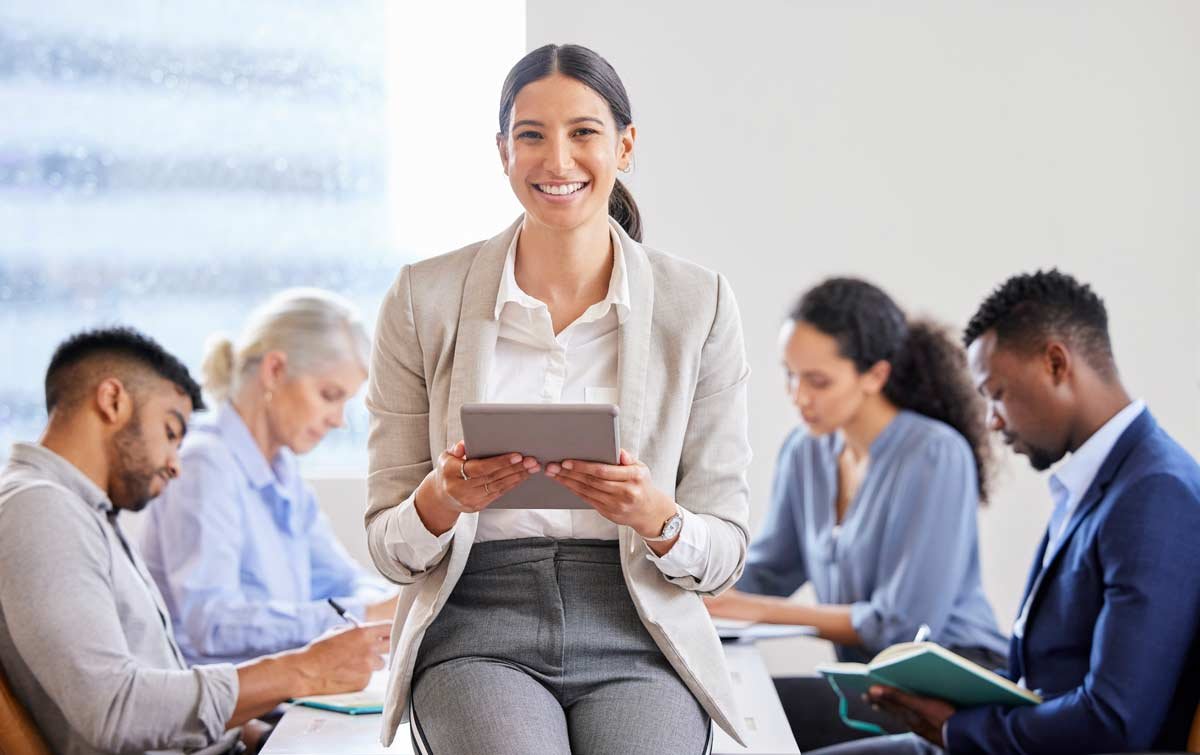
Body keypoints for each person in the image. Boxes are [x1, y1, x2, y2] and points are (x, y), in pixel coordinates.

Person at [363, 43, 752, 754]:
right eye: (531, 136)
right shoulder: (424, 299)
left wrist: (657, 516)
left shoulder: (700, 305)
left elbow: (724, 551)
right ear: (503, 151)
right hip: (477, 624)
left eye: (584, 133)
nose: (557, 161)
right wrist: (442, 498)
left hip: (638, 627)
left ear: (625, 145)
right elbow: (389, 546)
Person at [813, 269, 1200, 754]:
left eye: (996, 394)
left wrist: (959, 731)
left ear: (1056, 364)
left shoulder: (1155, 492)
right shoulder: (1099, 479)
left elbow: (1116, 720)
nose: (993, 420)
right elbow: (1049, 673)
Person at [0, 327, 390, 755]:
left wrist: (254, 733)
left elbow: (152, 680)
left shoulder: (85, 511)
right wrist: (302, 671)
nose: (176, 465)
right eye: (170, 432)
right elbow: (115, 711)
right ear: (112, 400)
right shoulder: (39, 507)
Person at [705, 277, 1008, 751]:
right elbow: (768, 572)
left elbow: (902, 623)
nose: (799, 396)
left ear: (875, 375)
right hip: (871, 685)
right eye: (790, 375)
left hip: (950, 689)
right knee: (719, 708)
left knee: (749, 721)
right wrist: (688, 589)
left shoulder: (935, 455)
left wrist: (756, 610)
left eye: (818, 381)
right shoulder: (805, 452)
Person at [140, 288, 396, 665]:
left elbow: (341, 580)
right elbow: (212, 623)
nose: (338, 420)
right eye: (329, 395)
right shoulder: (203, 465)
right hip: (224, 712)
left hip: (277, 695)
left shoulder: (283, 470)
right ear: (274, 371)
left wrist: (404, 605)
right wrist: (366, 613)